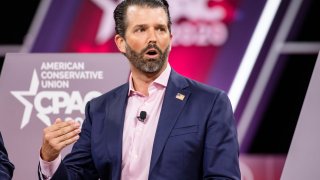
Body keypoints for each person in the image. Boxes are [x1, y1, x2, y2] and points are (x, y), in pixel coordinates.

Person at [38, 0, 241, 179]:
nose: (152, 38)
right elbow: (78, 175)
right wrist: (50, 158)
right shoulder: (99, 109)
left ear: (170, 39)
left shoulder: (210, 103)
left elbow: (223, 177)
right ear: (121, 43)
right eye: (141, 29)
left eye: (160, 29)